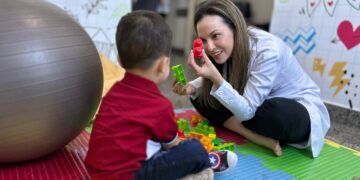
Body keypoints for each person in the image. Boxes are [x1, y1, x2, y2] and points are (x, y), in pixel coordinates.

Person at [85, 10, 236, 180]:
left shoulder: (112, 92)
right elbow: (172, 145)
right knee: (194, 149)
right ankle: (206, 162)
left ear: (119, 59)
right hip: (132, 175)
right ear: (164, 65)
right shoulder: (159, 105)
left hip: (95, 173)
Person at [173, 0, 330, 158]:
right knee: (200, 96)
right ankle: (252, 134)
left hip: (293, 107)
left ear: (234, 27)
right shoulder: (228, 46)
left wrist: (217, 80)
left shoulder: (267, 50)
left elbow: (246, 111)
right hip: (251, 105)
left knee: (275, 114)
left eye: (215, 36)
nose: (210, 47)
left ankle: (243, 126)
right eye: (204, 40)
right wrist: (191, 86)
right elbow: (223, 80)